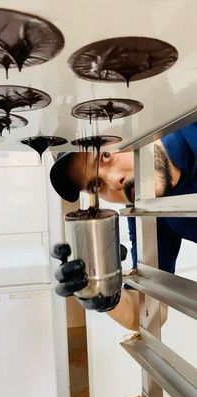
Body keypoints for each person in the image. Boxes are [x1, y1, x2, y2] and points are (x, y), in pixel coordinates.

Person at [50, 123, 197, 330]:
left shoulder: (191, 125)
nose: (113, 181)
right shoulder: (147, 212)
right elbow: (151, 309)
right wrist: (105, 296)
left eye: (106, 156)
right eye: (96, 185)